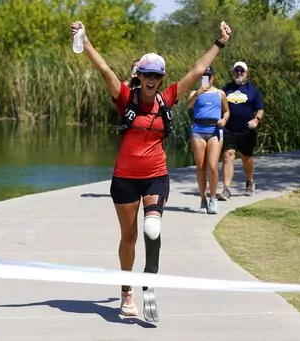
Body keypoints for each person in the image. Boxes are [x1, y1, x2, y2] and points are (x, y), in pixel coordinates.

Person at [70, 20, 232, 320]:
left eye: (157, 75)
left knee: (152, 228)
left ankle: (150, 282)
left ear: (161, 79)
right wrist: (86, 40)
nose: (151, 80)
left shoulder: (166, 98)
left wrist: (219, 43)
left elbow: (197, 70)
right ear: (139, 76)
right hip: (124, 181)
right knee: (129, 237)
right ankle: (126, 291)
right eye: (146, 74)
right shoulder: (124, 98)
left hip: (156, 176)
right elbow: (104, 69)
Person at [186, 66, 229, 214]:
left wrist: (224, 119)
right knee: (200, 166)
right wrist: (198, 93)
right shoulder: (195, 93)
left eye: (209, 76)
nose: (207, 78)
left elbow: (227, 111)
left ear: (213, 78)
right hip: (198, 130)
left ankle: (213, 199)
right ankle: (203, 199)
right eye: (204, 76)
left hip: (214, 131)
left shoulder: (220, 93)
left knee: (212, 165)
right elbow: (188, 106)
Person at [218, 61, 264, 200]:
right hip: (229, 129)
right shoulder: (226, 88)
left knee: (246, 158)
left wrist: (256, 120)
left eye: (241, 71)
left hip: (246, 131)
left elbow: (260, 109)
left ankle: (249, 182)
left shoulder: (252, 90)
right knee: (228, 156)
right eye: (236, 70)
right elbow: (218, 104)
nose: (239, 73)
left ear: (246, 73)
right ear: (233, 72)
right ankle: (226, 189)